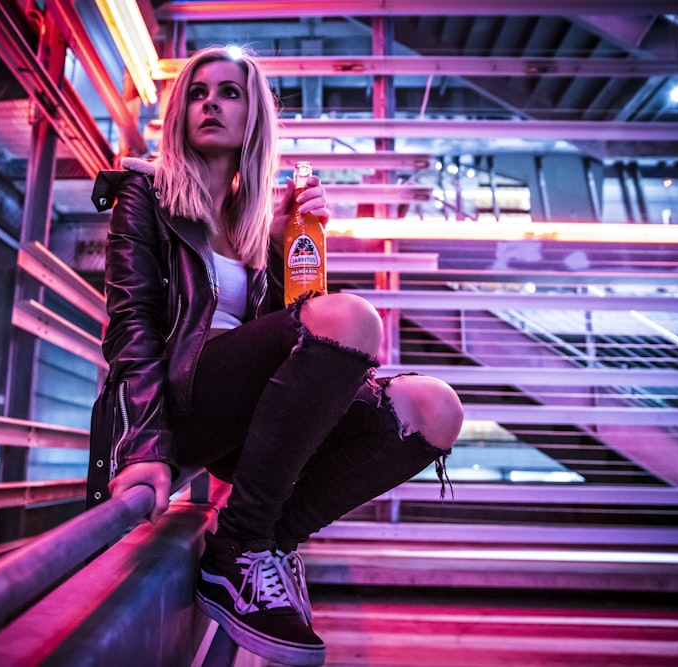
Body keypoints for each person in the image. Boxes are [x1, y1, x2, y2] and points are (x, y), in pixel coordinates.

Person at [87, 45, 464, 667]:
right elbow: (132, 325)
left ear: (254, 115)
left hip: (246, 417)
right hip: (177, 405)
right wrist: (147, 446)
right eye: (200, 92)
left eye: (230, 92)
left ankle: (268, 543)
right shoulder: (145, 196)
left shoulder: (258, 221)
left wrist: (294, 241)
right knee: (353, 317)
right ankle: (240, 548)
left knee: (434, 407)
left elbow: (293, 339)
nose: (211, 102)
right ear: (181, 110)